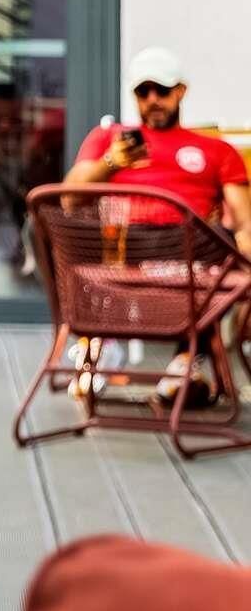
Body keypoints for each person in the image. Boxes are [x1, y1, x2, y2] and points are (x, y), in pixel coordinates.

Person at [62, 45, 251, 400]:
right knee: (47, 230)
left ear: (180, 91)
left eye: (161, 90)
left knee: (223, 244)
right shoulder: (108, 139)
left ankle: (183, 361)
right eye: (142, 91)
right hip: (121, 255)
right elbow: (69, 198)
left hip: (188, 255)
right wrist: (111, 163)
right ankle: (105, 342)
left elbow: (245, 224)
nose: (152, 100)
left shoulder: (217, 150)